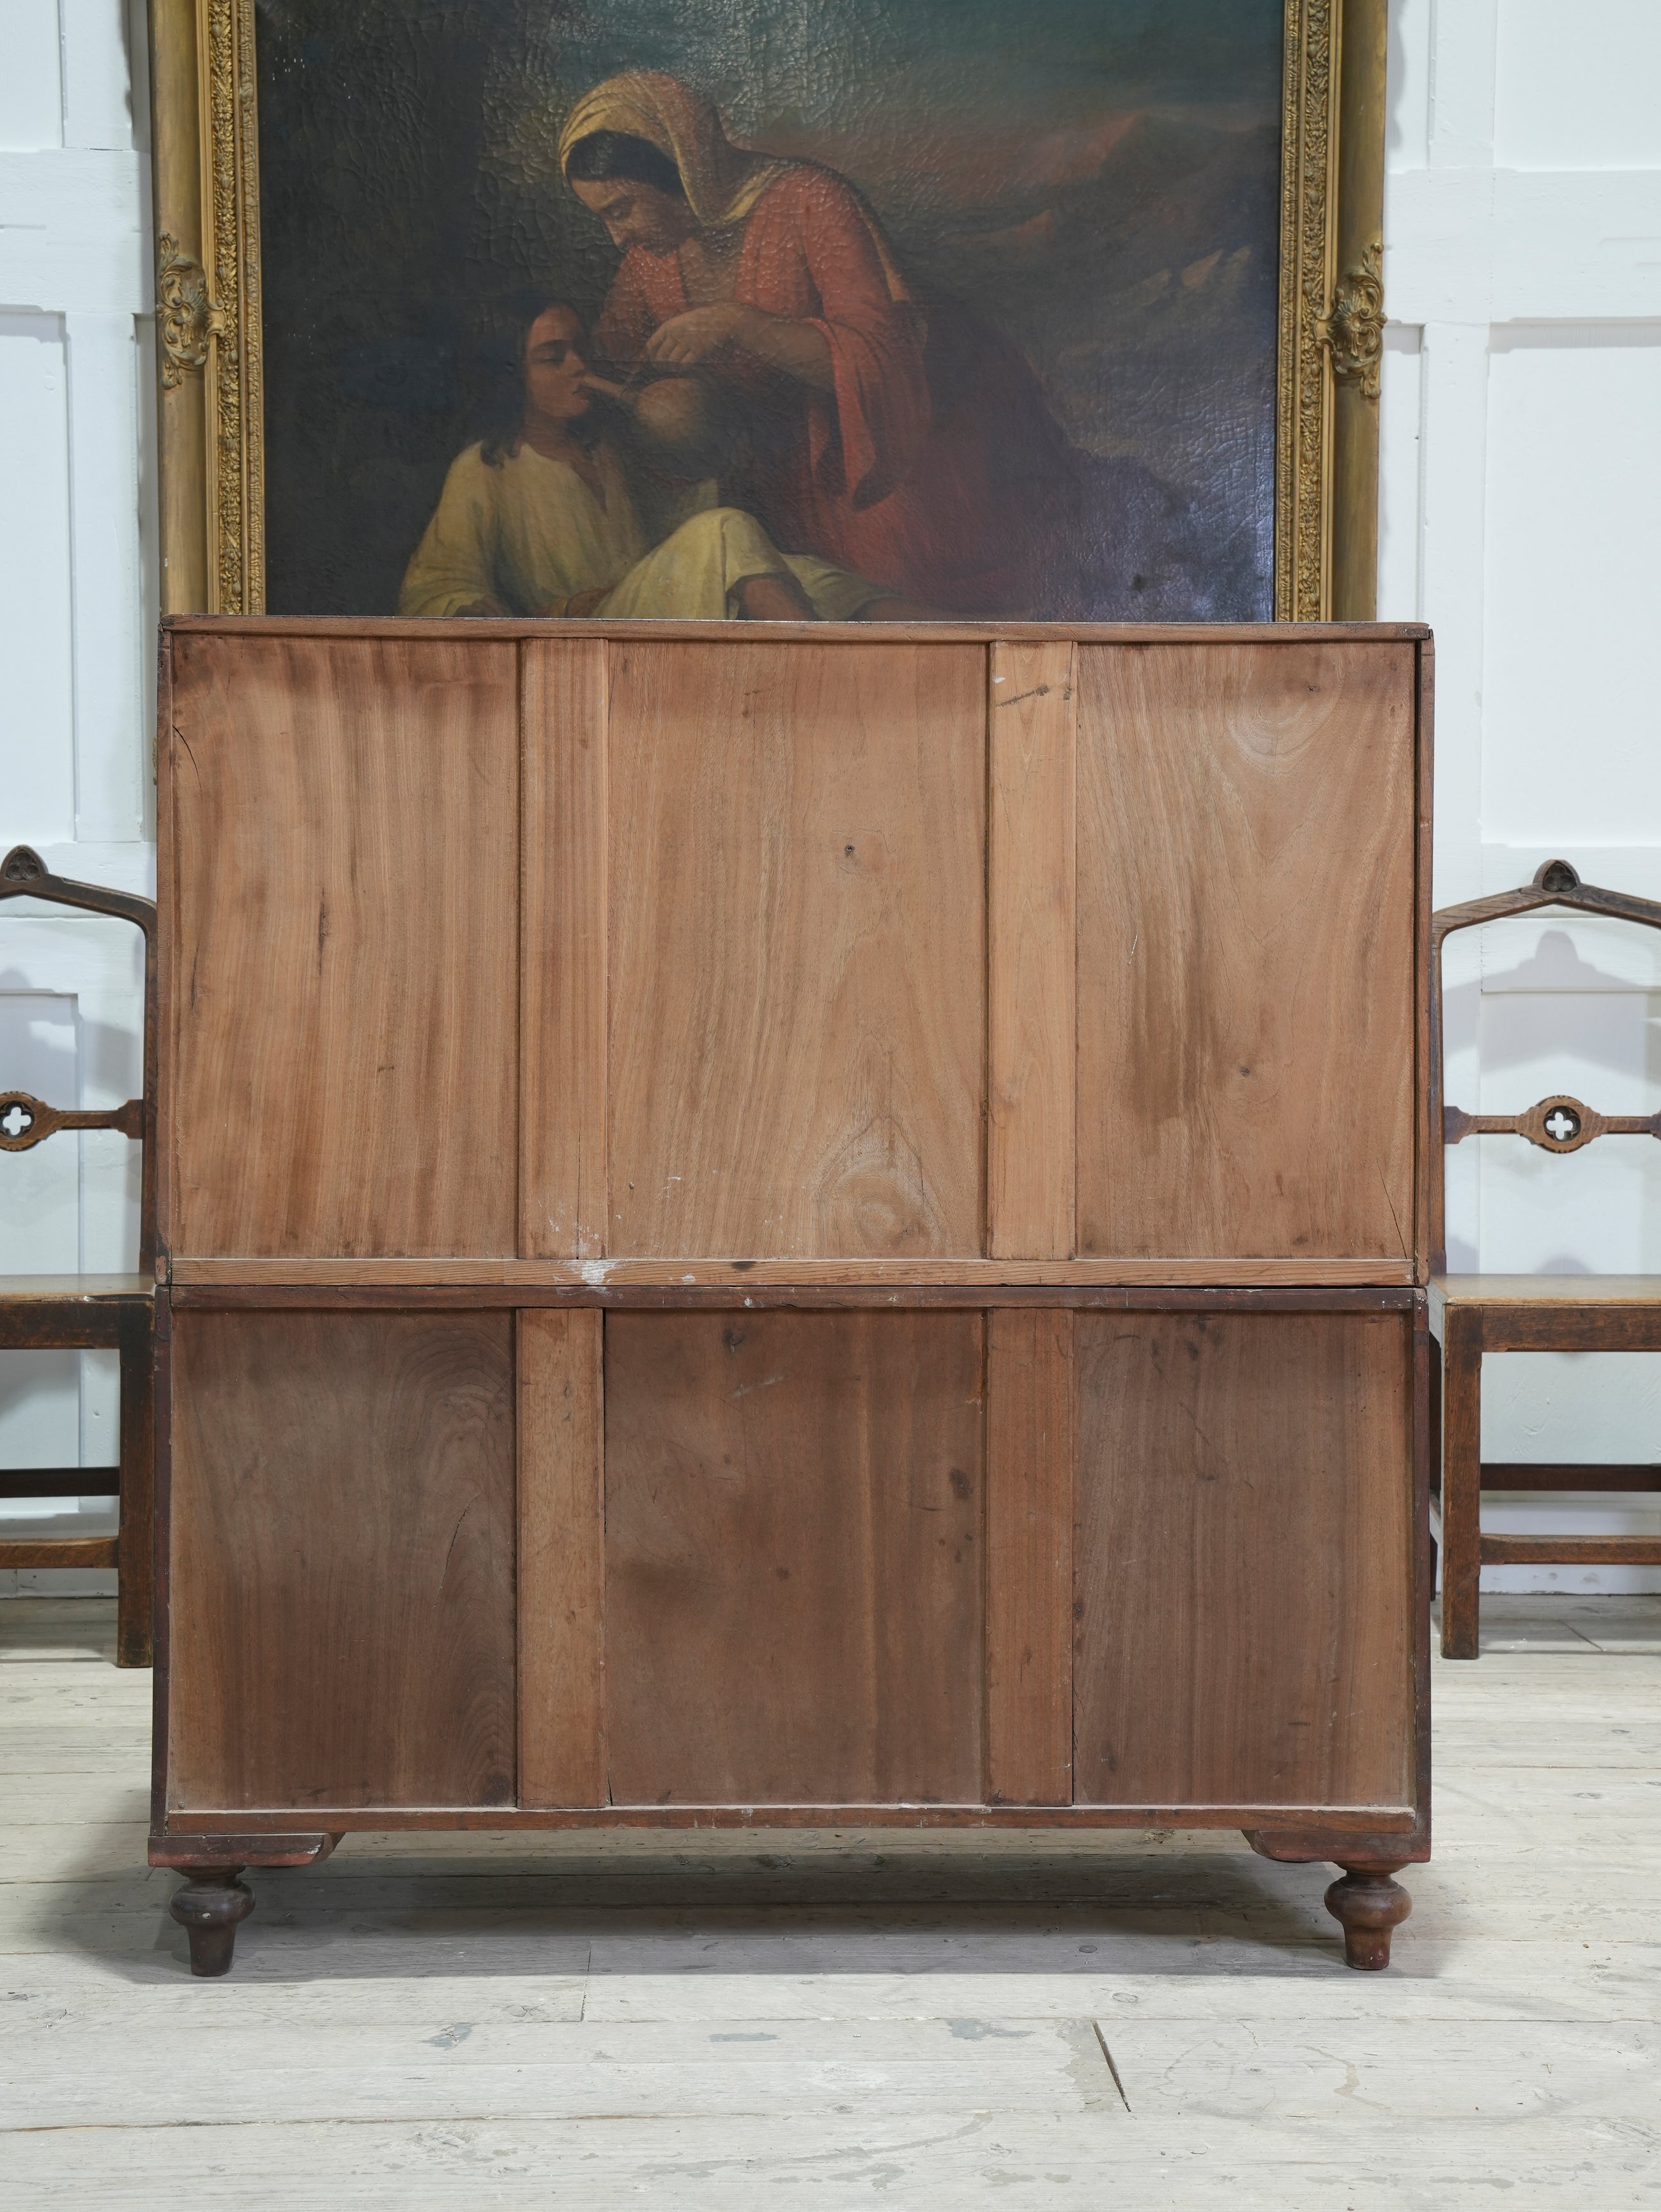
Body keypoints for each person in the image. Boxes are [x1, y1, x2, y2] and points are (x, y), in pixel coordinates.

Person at [559, 71, 1084, 616]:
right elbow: (612, 363)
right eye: (603, 218)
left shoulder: (809, 202)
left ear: (682, 170)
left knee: (904, 612)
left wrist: (740, 324)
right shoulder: (649, 261)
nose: (618, 237)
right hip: (774, 487)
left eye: (621, 209)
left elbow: (880, 354)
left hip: (882, 461)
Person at [399, 300, 888, 621]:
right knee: (726, 530)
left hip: (643, 603)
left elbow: (670, 527)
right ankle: (833, 672)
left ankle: (950, 634)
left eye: (580, 350)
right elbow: (436, 583)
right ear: (511, 376)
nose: (578, 365)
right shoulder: (486, 467)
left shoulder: (605, 448)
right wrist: (472, 610)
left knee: (801, 574)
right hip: (588, 633)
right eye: (553, 357)